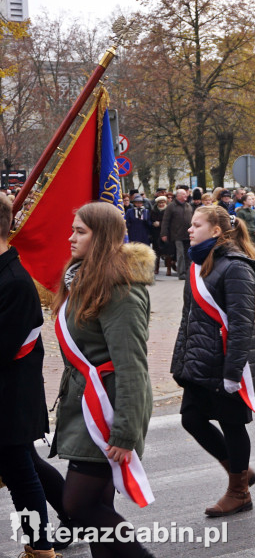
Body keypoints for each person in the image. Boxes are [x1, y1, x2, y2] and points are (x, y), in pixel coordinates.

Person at [50, 201, 156, 558]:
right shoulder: (83, 278)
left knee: (78, 506)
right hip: (88, 406)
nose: (71, 238)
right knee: (98, 506)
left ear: (103, 237)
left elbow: (132, 366)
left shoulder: (119, 289)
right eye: (73, 229)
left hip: (107, 411)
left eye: (80, 232)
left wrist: (125, 432)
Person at [170, 205, 255, 518]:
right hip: (201, 360)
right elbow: (189, 317)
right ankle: (241, 471)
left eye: (196, 225)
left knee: (232, 424)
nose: (189, 229)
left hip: (226, 363)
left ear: (216, 231)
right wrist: (181, 361)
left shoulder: (236, 266)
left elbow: (242, 324)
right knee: (192, 419)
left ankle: (239, 491)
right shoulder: (200, 263)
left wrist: (234, 371)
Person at [0, 195, 66, 558]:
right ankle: (69, 515)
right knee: (24, 465)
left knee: (20, 474)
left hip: (10, 396)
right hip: (10, 394)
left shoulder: (14, 281)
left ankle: (40, 547)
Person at [162, 188, 194, 280]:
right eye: (184, 194)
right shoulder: (171, 206)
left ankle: (188, 272)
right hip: (177, 235)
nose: (186, 196)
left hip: (188, 234)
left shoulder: (188, 206)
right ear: (178, 196)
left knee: (188, 254)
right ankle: (181, 273)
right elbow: (165, 221)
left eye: (186, 194)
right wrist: (164, 233)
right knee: (180, 255)